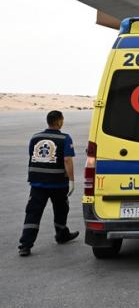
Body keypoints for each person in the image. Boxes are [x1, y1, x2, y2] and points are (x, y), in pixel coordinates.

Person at [18, 110, 79, 256]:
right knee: (61, 209)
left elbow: (33, 156)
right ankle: (61, 234)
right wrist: (71, 180)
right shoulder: (65, 138)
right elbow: (67, 160)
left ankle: (25, 245)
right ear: (59, 121)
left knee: (33, 213)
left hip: (37, 183)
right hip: (57, 183)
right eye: (62, 119)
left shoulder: (35, 137)